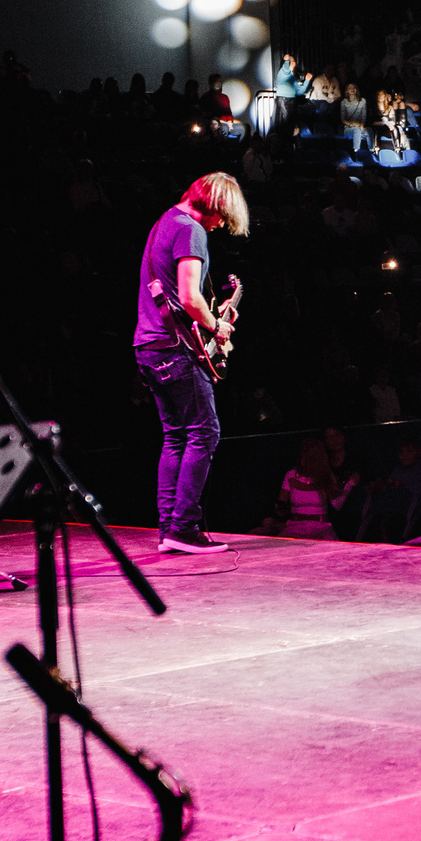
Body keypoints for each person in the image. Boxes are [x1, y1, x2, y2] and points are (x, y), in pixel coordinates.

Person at [136, 173, 251, 555]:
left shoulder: (163, 223)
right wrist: (217, 325)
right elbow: (188, 297)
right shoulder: (190, 231)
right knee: (204, 433)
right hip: (174, 349)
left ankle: (169, 528)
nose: (220, 226)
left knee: (176, 435)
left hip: (149, 347)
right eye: (222, 217)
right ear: (215, 206)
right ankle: (184, 528)